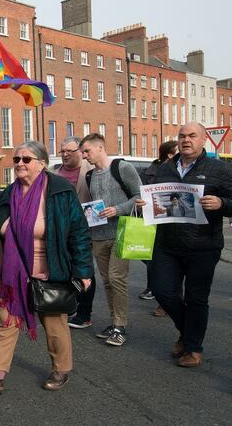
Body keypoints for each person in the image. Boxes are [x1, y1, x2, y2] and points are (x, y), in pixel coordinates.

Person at [0, 141, 93, 394]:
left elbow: (78, 232)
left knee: (54, 323)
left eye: (26, 159)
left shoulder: (59, 191)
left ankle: (61, 369)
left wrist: (83, 270)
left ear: (42, 163)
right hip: (13, 274)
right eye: (16, 160)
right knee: (5, 321)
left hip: (49, 271)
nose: (19, 164)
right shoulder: (9, 193)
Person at [136, 122, 232, 368]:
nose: (186, 140)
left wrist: (222, 203)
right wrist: (144, 204)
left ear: (204, 140)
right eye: (182, 136)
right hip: (167, 244)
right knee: (162, 291)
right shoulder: (165, 168)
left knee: (196, 299)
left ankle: (193, 348)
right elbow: (155, 199)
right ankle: (186, 330)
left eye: (192, 136)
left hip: (203, 245)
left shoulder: (219, 169)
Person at [75, 133, 141, 346]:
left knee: (116, 278)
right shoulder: (90, 175)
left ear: (100, 147)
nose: (84, 156)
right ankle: (114, 323)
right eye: (83, 152)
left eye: (87, 151)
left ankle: (120, 326)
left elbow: (140, 199)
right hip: (98, 235)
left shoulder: (122, 168)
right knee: (107, 281)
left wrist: (118, 209)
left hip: (122, 232)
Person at [138, 140, 177, 304]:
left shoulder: (180, 171)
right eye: (177, 151)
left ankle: (161, 290)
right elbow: (140, 194)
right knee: (149, 254)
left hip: (172, 220)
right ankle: (154, 287)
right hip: (152, 219)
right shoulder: (150, 172)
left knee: (163, 256)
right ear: (170, 155)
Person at [51, 137, 93, 204]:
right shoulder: (52, 173)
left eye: (69, 151)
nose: (65, 155)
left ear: (80, 151)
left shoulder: (92, 170)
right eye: (62, 151)